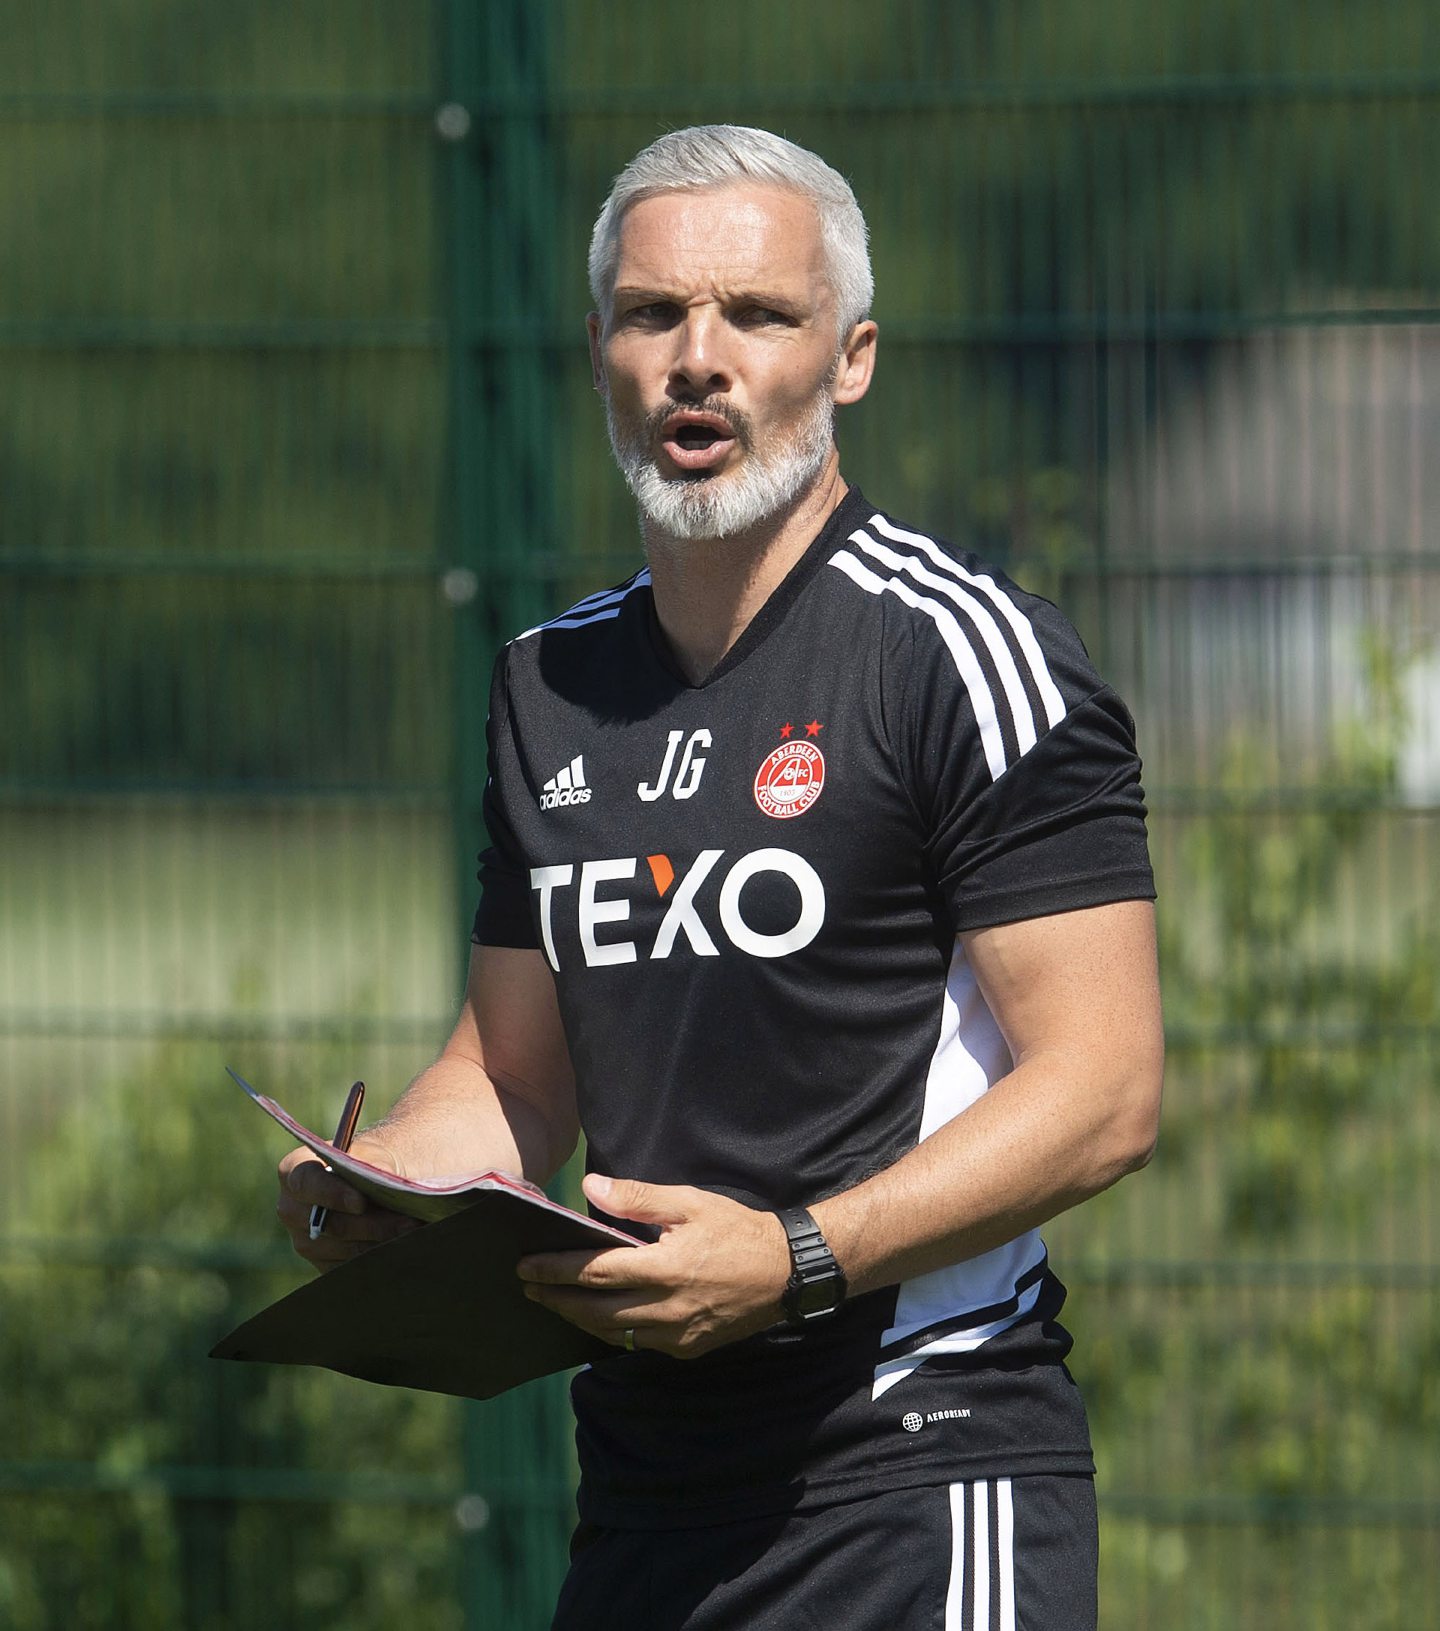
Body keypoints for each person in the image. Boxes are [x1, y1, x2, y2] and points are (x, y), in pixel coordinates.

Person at [277, 124, 1163, 1631]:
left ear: (852, 358)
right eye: (651, 313)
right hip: (642, 1491)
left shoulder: (962, 653)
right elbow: (511, 1072)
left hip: (919, 1471)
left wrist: (797, 1261)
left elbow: (1106, 1090)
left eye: (757, 315)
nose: (699, 357)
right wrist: (392, 1188)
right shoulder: (543, 685)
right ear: (602, 351)